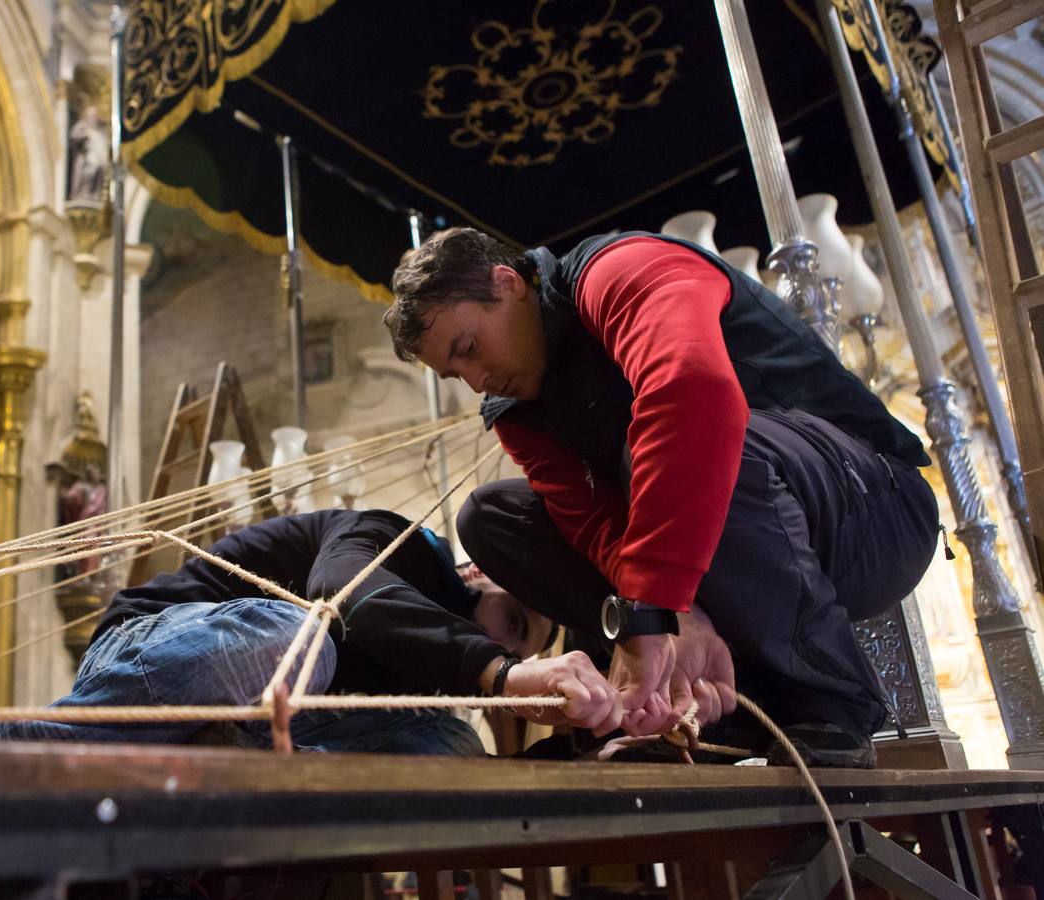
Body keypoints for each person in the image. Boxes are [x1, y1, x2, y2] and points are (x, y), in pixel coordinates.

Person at [384, 227, 941, 767]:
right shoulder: (518, 416)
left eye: (470, 348)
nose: (478, 381)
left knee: (684, 438)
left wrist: (650, 611)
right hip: (731, 562)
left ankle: (830, 702)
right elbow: (596, 528)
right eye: (457, 374)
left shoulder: (619, 269)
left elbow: (694, 392)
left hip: (872, 516)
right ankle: (711, 704)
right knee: (491, 516)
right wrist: (678, 616)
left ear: (508, 283)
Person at [0, 508, 622, 753]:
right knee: (299, 648)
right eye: (510, 620)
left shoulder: (433, 678)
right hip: (155, 643)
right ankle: (5, 752)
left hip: (267, 726)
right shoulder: (398, 540)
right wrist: (500, 673)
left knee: (452, 745)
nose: (504, 643)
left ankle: (239, 766)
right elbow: (337, 593)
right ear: (477, 572)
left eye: (520, 644)